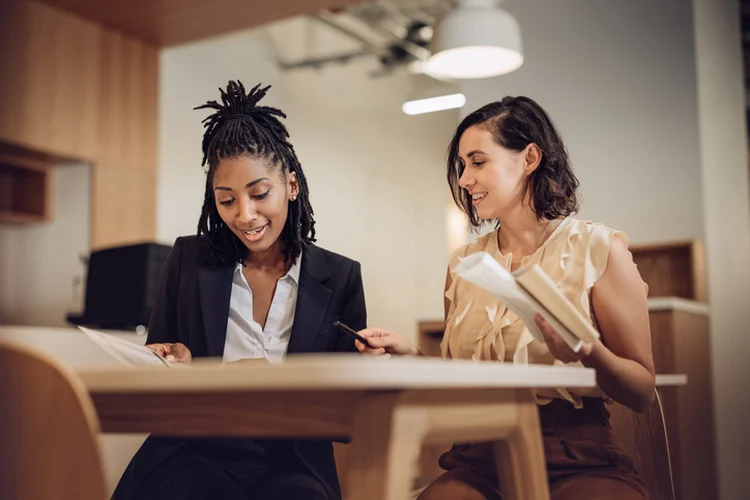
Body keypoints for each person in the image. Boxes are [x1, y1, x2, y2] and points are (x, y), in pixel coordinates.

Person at [356, 97, 654, 499]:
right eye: (462, 166)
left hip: (576, 455)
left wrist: (586, 351)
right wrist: (409, 356)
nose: (464, 179)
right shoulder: (465, 262)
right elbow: (460, 386)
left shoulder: (598, 248)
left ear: (529, 158)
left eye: (478, 162)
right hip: (478, 458)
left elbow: (640, 390)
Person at [113, 81, 366, 500]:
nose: (244, 215)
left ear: (292, 185)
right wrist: (176, 365)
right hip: (193, 451)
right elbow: (158, 375)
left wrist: (283, 390)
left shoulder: (340, 277)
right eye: (226, 200)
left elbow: (348, 418)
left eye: (259, 193)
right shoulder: (188, 260)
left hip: (293, 459)